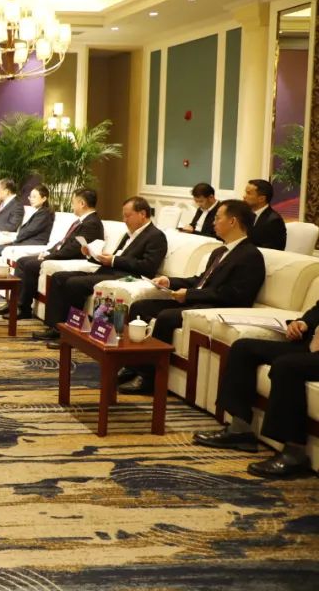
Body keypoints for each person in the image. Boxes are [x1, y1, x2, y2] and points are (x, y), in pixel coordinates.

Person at [123, 200, 266, 394]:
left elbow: (234, 294)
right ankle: (131, 365)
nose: (213, 222)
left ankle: (150, 379)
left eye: (217, 218)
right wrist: (170, 282)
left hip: (215, 307)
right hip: (198, 299)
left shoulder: (250, 255)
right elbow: (201, 280)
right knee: (140, 307)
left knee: (166, 316)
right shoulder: (220, 251)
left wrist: (190, 295)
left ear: (232, 221)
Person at [193, 298, 319, 479]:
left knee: (286, 366)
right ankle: (240, 430)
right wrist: (303, 323)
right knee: (243, 348)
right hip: (312, 346)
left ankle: (295, 453)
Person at [32, 196, 168, 347]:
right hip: (108, 271)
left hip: (124, 277)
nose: (124, 220)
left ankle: (70, 337)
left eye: (127, 216)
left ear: (142, 214)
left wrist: (114, 260)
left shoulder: (156, 236)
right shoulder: (129, 234)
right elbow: (115, 258)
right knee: (59, 277)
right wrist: (92, 254)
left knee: (74, 283)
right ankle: (55, 327)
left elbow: (148, 267)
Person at [10, 188, 104, 320]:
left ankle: (23, 308)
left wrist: (49, 257)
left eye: (73, 202)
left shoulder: (92, 223)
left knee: (30, 265)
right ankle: (15, 304)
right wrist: (49, 252)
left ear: (82, 203)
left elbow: (73, 249)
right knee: (22, 261)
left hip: (71, 260)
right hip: (62, 255)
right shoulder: (82, 221)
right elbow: (64, 243)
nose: (72, 205)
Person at [0, 184, 54, 258]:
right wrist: (11, 235)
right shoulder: (39, 211)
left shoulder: (45, 213)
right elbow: (27, 231)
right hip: (24, 242)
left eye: (34, 197)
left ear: (44, 199)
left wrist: (14, 237)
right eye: (30, 197)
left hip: (33, 244)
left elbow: (30, 230)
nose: (31, 199)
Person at [243, 178, 286, 250]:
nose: (244, 196)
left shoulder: (274, 221)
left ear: (262, 199)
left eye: (248, 193)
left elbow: (272, 250)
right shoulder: (243, 214)